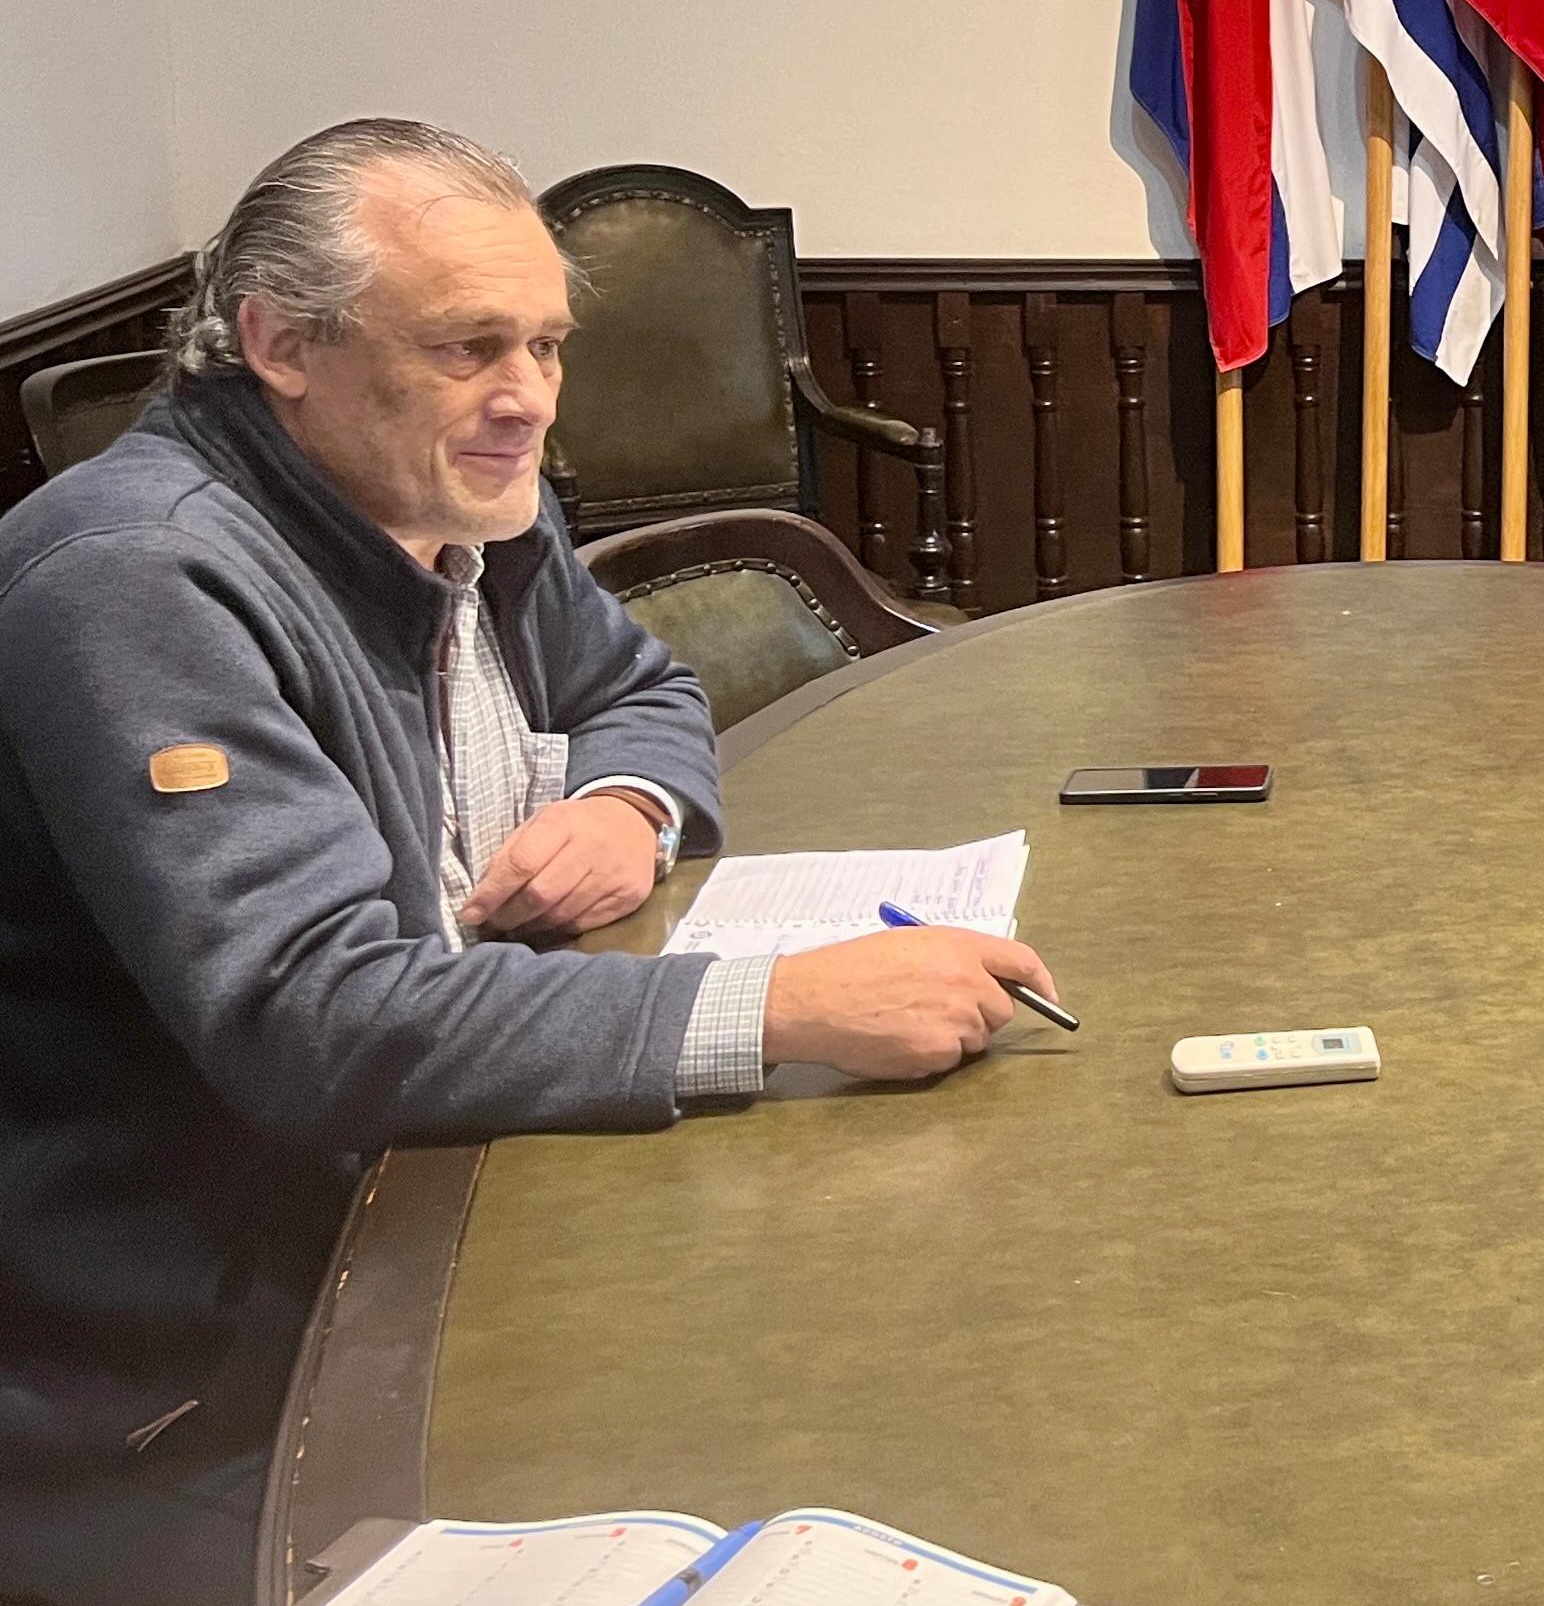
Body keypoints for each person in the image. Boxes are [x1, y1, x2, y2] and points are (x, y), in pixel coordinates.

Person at [0, 121, 1061, 1606]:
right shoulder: (134, 578)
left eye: (548, 345)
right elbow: (314, 1017)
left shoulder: (459, 492)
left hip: (430, 1181)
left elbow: (642, 688)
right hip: (187, 1399)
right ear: (280, 343)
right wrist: (783, 1005)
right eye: (467, 346)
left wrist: (628, 806)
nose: (529, 400)